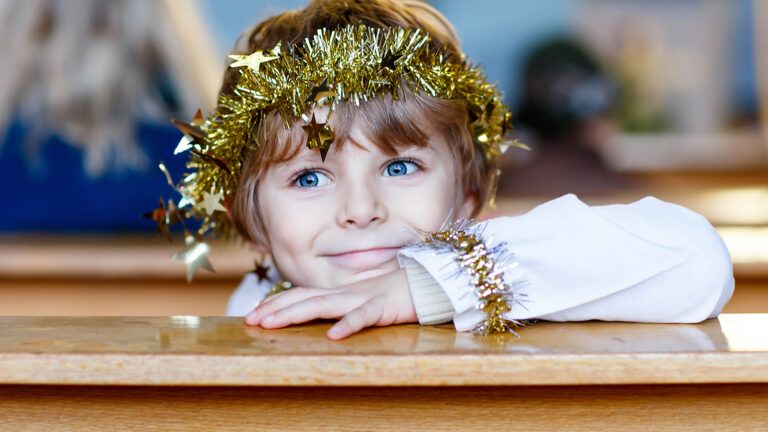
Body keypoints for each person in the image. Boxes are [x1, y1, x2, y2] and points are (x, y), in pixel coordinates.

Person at [153, 0, 734, 340]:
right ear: (247, 217)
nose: (360, 211)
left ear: (470, 194)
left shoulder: (514, 266)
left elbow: (697, 261)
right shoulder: (253, 303)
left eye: (401, 166)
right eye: (309, 177)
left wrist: (429, 284)